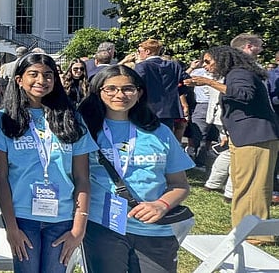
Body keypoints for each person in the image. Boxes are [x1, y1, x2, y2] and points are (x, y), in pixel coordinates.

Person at [78, 65, 193, 273]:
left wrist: (161, 205)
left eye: (128, 89)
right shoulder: (84, 130)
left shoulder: (160, 132)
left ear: (139, 93)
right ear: (98, 92)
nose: (119, 95)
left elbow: (180, 185)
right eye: (110, 89)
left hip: (155, 229)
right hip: (103, 226)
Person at [0, 53, 97, 273]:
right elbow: (1, 178)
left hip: (62, 218)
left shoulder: (71, 118)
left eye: (48, 75)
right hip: (22, 218)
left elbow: (82, 178)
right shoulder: (4, 120)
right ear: (19, 79)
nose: (42, 80)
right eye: (34, 74)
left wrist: (78, 228)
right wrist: (11, 227)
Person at [186, 46, 279, 244]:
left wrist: (208, 82)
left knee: (253, 187)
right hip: (245, 137)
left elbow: (244, 95)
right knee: (242, 184)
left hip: (255, 138)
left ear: (223, 60)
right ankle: (242, 229)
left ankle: (257, 233)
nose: (206, 66)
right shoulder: (236, 74)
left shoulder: (239, 74)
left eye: (209, 62)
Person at [134, 39, 189, 141]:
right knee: (165, 139)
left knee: (147, 139)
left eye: (139, 51)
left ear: (147, 51)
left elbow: (135, 84)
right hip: (169, 110)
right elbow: (186, 81)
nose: (138, 54)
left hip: (147, 108)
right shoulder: (174, 65)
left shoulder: (142, 66)